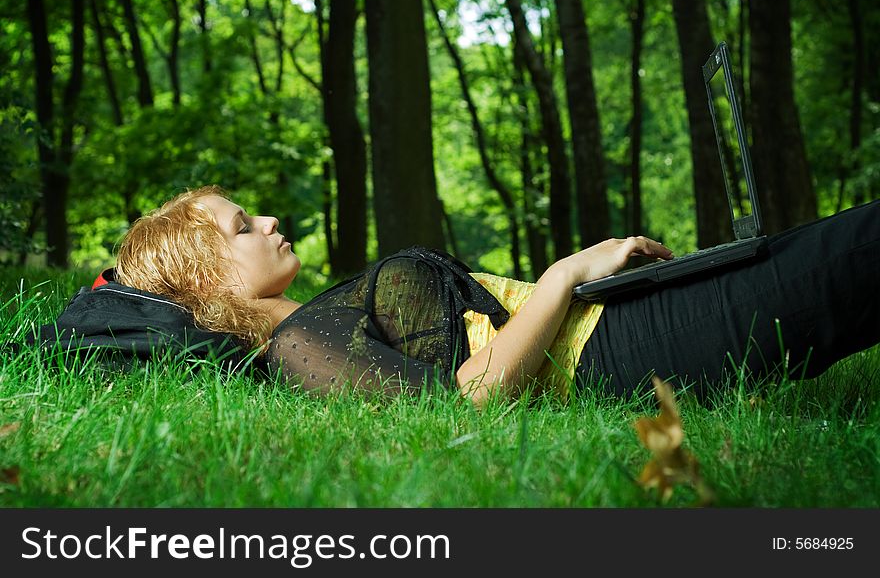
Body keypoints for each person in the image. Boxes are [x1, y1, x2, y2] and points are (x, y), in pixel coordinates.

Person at [106, 185, 878, 407]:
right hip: (619, 354)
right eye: (244, 226)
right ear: (204, 277)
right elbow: (465, 402)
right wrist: (562, 276)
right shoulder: (300, 346)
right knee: (853, 256)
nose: (269, 219)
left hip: (620, 319)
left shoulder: (314, 322)